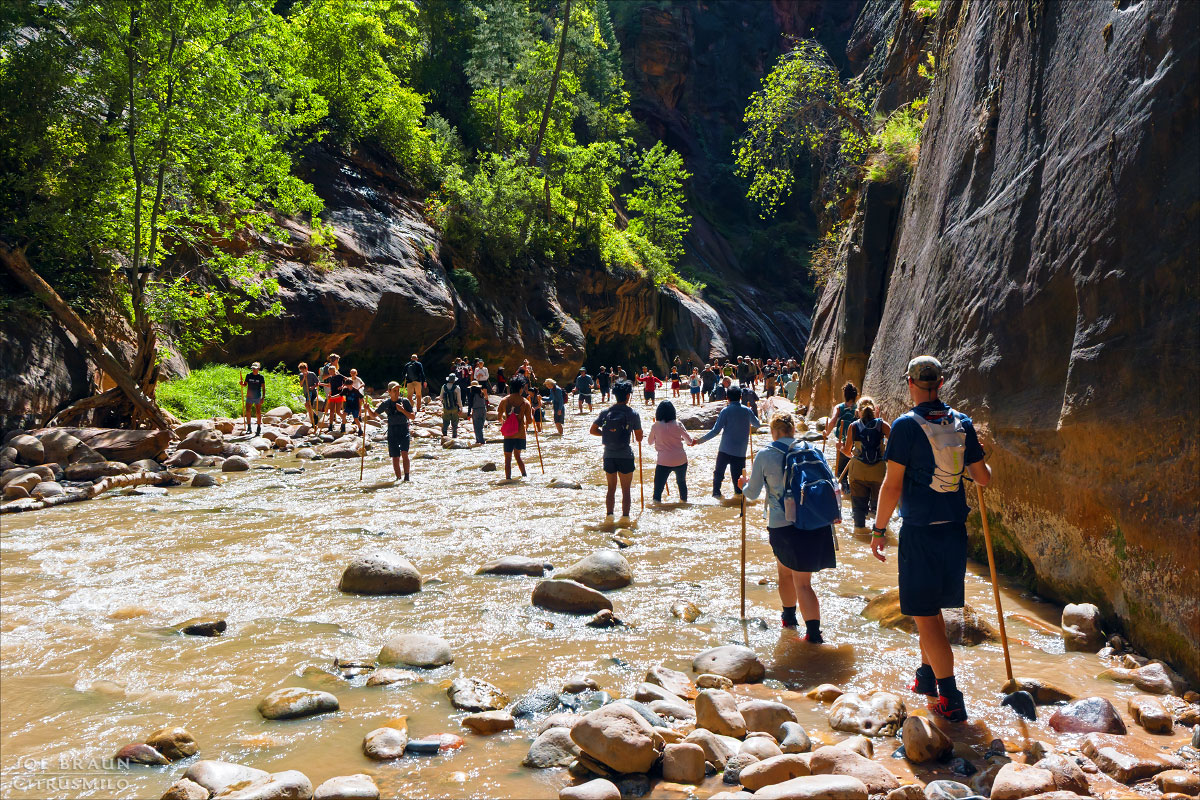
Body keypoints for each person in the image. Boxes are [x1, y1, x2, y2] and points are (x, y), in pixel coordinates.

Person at [871, 356, 990, 723]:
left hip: (921, 533)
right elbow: (983, 478)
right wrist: (978, 449)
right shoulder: (963, 423)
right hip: (954, 533)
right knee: (933, 609)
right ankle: (926, 677)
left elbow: (892, 485)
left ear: (910, 383)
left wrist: (878, 530)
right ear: (941, 383)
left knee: (925, 617)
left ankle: (950, 698)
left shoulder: (906, 426)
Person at [739, 412, 835, 639]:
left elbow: (751, 494)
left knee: (791, 577)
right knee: (799, 578)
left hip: (783, 526)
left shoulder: (766, 453)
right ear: (793, 430)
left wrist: (742, 484)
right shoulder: (812, 450)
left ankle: (809, 632)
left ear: (774, 431)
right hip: (816, 522)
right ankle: (793, 621)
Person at [590, 381, 642, 527]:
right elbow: (638, 438)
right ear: (627, 395)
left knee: (611, 489)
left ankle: (609, 518)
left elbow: (592, 430)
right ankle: (625, 519)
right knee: (626, 490)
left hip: (608, 455)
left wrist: (607, 434)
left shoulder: (606, 412)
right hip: (625, 455)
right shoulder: (633, 413)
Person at [694, 385, 760, 498]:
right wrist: (752, 412)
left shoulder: (726, 411)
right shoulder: (747, 411)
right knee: (738, 485)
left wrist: (699, 441)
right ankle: (739, 503)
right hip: (740, 452)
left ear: (727, 398)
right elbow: (757, 424)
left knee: (718, 477)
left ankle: (716, 496)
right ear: (740, 397)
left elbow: (715, 431)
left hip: (725, 450)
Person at [843, 397, 890, 535]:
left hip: (858, 472)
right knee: (878, 509)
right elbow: (896, 443)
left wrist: (841, 448)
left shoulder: (853, 426)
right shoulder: (883, 425)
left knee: (858, 509)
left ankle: (860, 531)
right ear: (875, 410)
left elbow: (847, 451)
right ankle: (880, 534)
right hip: (878, 472)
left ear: (858, 411)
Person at [648, 400, 693, 502]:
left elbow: (650, 442)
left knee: (658, 488)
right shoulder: (678, 424)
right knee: (681, 483)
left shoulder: (656, 426)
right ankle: (684, 502)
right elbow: (689, 441)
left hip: (663, 461)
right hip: (681, 460)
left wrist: (657, 435)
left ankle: (657, 506)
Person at [373, 381, 414, 481]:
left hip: (404, 429)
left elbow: (412, 417)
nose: (397, 392)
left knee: (405, 453)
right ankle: (398, 479)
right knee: (395, 457)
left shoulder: (405, 402)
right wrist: (367, 409)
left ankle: (407, 478)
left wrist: (403, 410)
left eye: (398, 390)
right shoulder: (386, 403)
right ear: (389, 391)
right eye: (394, 391)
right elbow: (374, 415)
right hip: (392, 431)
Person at [824, 381, 859, 492]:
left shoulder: (839, 408)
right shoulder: (858, 409)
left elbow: (833, 421)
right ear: (855, 396)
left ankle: (845, 491)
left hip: (842, 443)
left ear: (845, 395)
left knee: (840, 472)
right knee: (852, 470)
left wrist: (826, 432)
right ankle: (849, 492)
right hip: (856, 443)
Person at [496, 378, 533, 480]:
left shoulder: (504, 401)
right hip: (520, 434)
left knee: (507, 459)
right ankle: (524, 476)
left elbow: (499, 417)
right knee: (518, 456)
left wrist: (505, 421)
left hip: (508, 434)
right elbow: (529, 421)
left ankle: (508, 479)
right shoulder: (525, 402)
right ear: (521, 388)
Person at [322, 354, 347, 433]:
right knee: (331, 411)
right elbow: (329, 385)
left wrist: (343, 386)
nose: (330, 374)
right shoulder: (331, 377)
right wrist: (320, 384)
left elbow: (347, 380)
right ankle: (330, 426)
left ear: (334, 371)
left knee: (338, 412)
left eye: (331, 372)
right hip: (332, 395)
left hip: (339, 395)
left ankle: (343, 422)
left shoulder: (339, 376)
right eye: (329, 373)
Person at [241, 362, 265, 434]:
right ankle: (249, 428)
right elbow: (245, 384)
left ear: (258, 369)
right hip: (249, 396)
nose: (253, 370)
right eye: (252, 368)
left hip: (257, 396)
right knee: (248, 411)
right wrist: (241, 383)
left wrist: (263, 397)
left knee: (258, 412)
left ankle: (258, 427)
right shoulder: (248, 375)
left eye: (255, 368)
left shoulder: (261, 377)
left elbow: (263, 388)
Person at [341, 370, 366, 435]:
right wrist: (342, 387)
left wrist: (359, 387)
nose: (352, 374)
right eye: (351, 373)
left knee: (357, 412)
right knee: (344, 415)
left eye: (354, 373)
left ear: (356, 373)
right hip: (349, 402)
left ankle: (360, 423)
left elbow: (363, 384)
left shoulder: (358, 379)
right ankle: (343, 427)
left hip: (357, 394)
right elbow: (344, 384)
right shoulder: (348, 380)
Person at [298, 362, 321, 427]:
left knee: (307, 405)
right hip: (306, 393)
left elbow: (317, 383)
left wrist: (313, 387)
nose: (302, 371)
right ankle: (313, 422)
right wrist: (304, 378)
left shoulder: (312, 374)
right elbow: (301, 385)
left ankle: (315, 417)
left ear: (306, 368)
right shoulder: (301, 375)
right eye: (301, 370)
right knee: (308, 407)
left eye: (303, 370)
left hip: (311, 392)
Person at [439, 373, 463, 438]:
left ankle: (444, 434)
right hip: (454, 408)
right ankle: (454, 435)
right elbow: (459, 400)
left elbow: (440, 397)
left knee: (446, 421)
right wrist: (461, 408)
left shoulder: (443, 387)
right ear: (454, 380)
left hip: (446, 407)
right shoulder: (457, 388)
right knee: (455, 422)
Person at [467, 380, 489, 445]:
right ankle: (478, 440)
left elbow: (470, 405)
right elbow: (486, 401)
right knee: (480, 426)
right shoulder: (482, 393)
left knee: (477, 427)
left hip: (476, 411)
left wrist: (468, 414)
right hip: (483, 410)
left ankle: (481, 441)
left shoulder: (471, 394)